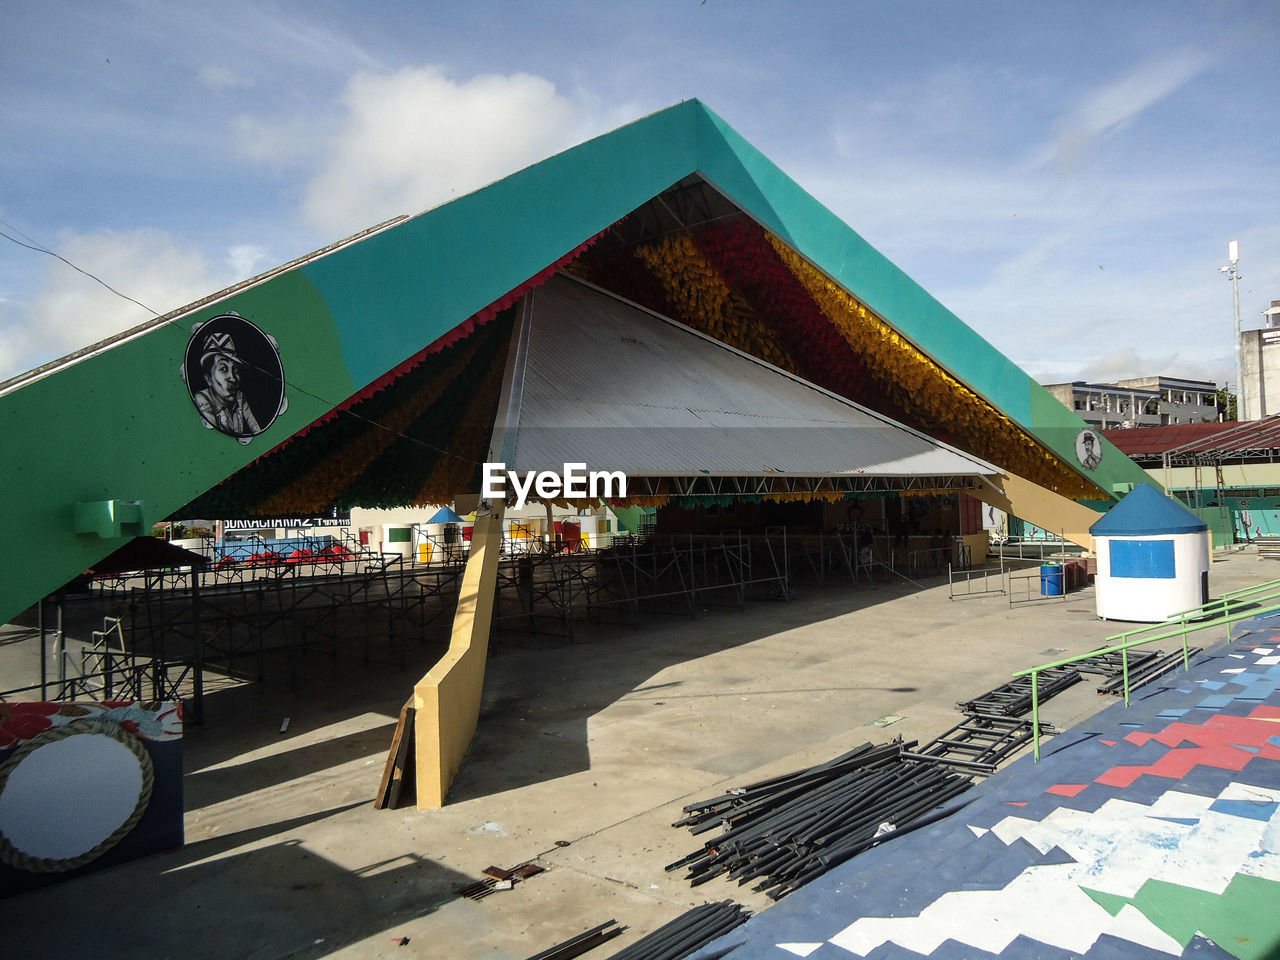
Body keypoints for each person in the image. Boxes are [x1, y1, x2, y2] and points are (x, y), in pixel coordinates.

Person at [193, 332, 262, 438]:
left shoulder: (239, 397)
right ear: (209, 379)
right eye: (223, 369)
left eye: (235, 370)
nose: (233, 378)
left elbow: (257, 431)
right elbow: (217, 438)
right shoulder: (202, 399)